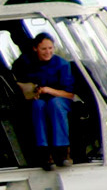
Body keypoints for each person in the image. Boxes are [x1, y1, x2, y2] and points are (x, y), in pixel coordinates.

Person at [12, 33, 76, 170]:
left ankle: (62, 151)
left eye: (50, 48)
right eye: (44, 49)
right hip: (39, 100)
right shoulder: (27, 63)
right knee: (38, 105)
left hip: (60, 100)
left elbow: (70, 94)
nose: (48, 52)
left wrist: (48, 90)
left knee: (55, 105)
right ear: (35, 49)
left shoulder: (62, 65)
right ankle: (44, 152)